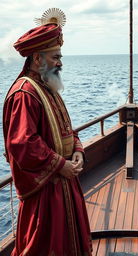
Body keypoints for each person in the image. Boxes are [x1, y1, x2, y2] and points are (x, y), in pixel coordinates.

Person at [3, 9, 92, 256]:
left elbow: (67, 129)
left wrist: (78, 151)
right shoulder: (25, 93)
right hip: (46, 191)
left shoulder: (49, 88)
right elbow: (23, 144)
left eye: (60, 56)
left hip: (64, 180)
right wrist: (59, 165)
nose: (60, 62)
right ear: (38, 59)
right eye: (55, 57)